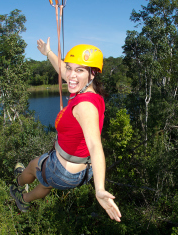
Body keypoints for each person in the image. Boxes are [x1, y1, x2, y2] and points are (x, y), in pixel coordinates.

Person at [9, 38, 121, 222]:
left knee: (32, 166)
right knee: (46, 183)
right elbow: (64, 72)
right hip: (79, 172)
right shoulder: (90, 93)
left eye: (79, 70)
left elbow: (95, 146)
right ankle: (25, 198)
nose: (71, 75)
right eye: (70, 68)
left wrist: (100, 189)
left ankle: (19, 186)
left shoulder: (85, 105)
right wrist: (48, 53)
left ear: (92, 74)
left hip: (63, 170)